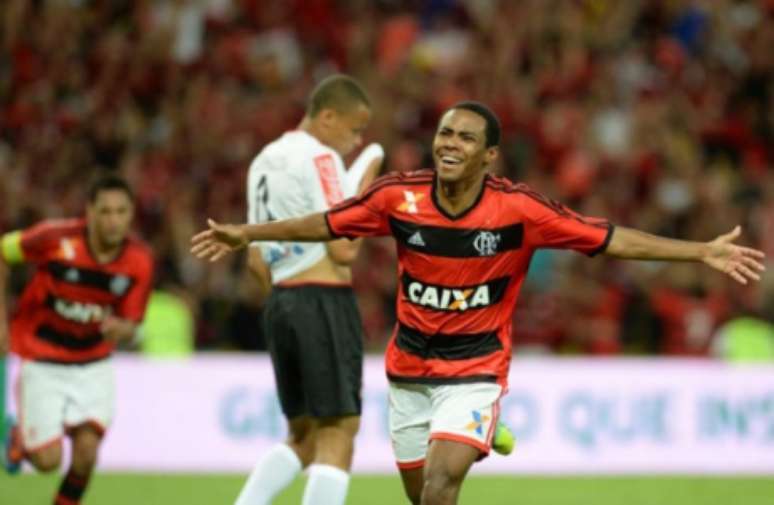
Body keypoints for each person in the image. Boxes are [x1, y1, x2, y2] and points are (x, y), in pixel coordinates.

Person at [191, 101, 765, 505]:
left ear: (489, 156)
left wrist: (700, 253)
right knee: (422, 495)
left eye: (466, 137)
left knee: (442, 485)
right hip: (409, 370)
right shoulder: (399, 197)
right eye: (445, 133)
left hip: (476, 368)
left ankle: (477, 425)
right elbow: (329, 223)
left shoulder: (519, 211)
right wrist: (254, 232)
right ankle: (481, 433)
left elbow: (609, 237)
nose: (450, 143)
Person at [233, 74, 383, 505]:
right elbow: (344, 250)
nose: (355, 141)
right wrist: (366, 193)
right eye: (354, 128)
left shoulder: (262, 161)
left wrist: (288, 297)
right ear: (328, 116)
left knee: (302, 435)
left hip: (281, 302)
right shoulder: (321, 158)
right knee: (339, 431)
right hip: (323, 301)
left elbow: (255, 259)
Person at [0, 175, 154, 505]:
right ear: (90, 212)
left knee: (86, 454)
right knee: (48, 461)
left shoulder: (140, 261)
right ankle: (18, 436)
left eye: (121, 212)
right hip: (42, 358)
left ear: (131, 214)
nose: (113, 221)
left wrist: (122, 329)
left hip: (93, 362)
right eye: (105, 211)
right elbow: (2, 252)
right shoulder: (55, 238)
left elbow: (133, 323)